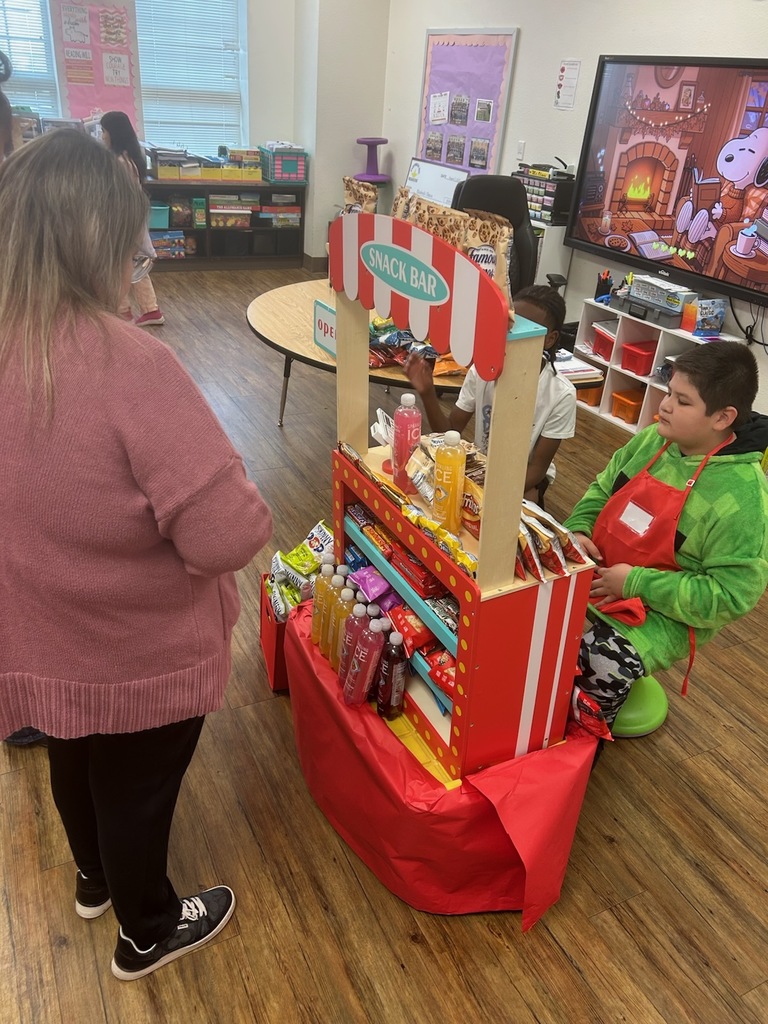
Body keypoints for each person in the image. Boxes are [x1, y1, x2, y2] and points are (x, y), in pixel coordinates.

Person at [0, 130, 273, 980]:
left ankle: (93, 879)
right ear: (101, 244)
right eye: (132, 246)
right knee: (136, 789)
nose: (137, 263)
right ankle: (147, 928)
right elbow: (227, 534)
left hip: (46, 634)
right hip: (139, 648)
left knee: (74, 756)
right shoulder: (132, 365)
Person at [564, 342, 768, 732]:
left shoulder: (743, 499)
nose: (666, 405)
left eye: (683, 401)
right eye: (669, 392)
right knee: (525, 607)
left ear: (723, 417)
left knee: (600, 661)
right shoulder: (652, 441)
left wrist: (635, 583)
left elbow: (730, 597)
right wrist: (579, 529)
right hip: (600, 574)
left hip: (664, 613)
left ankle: (582, 742)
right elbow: (602, 488)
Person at [404, 285, 576, 503]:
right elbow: (448, 433)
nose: (513, 336)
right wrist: (428, 392)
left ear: (550, 339)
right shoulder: (483, 371)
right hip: (482, 471)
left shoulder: (561, 394)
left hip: (524, 479)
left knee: (525, 500)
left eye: (528, 330)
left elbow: (537, 469)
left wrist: (489, 494)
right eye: (510, 326)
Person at [100, 110, 165, 327]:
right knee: (133, 266)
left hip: (123, 222)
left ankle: (123, 311)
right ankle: (150, 310)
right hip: (130, 220)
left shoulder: (119, 161)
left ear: (113, 133)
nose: (102, 136)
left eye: (104, 131)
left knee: (119, 267)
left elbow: (115, 195)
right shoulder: (130, 158)